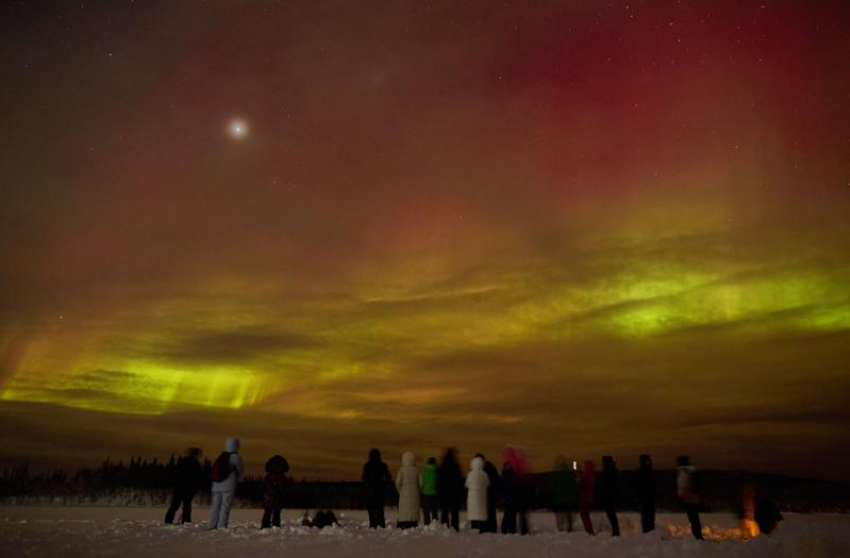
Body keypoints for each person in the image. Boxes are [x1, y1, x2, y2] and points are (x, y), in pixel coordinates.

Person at [208, 438, 244, 529]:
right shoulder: (236, 457)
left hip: (216, 485)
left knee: (215, 506)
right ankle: (221, 526)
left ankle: (211, 525)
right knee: (225, 506)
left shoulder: (221, 456)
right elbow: (240, 471)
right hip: (228, 486)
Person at [164, 447, 203, 524]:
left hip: (179, 487)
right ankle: (186, 521)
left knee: (175, 505)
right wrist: (196, 488)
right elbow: (198, 477)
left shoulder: (183, 461)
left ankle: (168, 520)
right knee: (186, 506)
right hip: (188, 488)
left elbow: (176, 473)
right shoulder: (196, 463)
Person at [502, 446, 531, 535]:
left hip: (513, 495)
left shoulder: (511, 467)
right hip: (519, 494)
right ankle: (520, 530)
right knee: (519, 515)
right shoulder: (522, 465)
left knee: (510, 514)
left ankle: (510, 529)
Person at [362, 448, 392, 528]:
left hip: (370, 491)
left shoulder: (367, 466)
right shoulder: (383, 465)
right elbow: (388, 477)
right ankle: (381, 524)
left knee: (371, 511)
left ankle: (373, 525)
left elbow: (364, 478)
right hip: (380, 491)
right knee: (380, 510)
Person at [676, 455, 703, 540]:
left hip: (689, 498)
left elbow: (683, 485)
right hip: (693, 498)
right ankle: (697, 535)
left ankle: (697, 536)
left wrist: (681, 496)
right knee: (694, 518)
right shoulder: (691, 471)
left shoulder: (684, 472)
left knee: (693, 519)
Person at [549, 456, 577, 532]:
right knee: (568, 513)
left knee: (559, 515)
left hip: (558, 498)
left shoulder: (554, 472)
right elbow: (574, 483)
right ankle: (569, 527)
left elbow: (551, 485)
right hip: (569, 498)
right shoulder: (570, 472)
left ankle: (560, 528)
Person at [437, 447, 463, 531]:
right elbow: (459, 482)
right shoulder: (456, 466)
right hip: (454, 493)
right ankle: (455, 528)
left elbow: (439, 481)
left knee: (444, 512)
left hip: (444, 493)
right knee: (455, 513)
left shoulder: (442, 466)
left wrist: (439, 492)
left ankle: (444, 527)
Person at [261, 454, 289, 529]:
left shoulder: (268, 475)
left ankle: (265, 526)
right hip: (275, 497)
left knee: (269, 512)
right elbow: (283, 487)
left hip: (269, 497)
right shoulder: (281, 476)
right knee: (275, 513)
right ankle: (274, 526)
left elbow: (265, 486)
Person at [395, 451, 422, 529]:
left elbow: (397, 482)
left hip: (404, 493)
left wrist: (399, 491)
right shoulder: (417, 470)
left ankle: (404, 522)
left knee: (404, 509)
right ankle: (413, 521)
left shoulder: (402, 470)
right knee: (413, 508)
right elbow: (421, 483)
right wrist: (417, 490)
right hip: (415, 493)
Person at [476, 453, 501, 533]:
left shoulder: (482, 470)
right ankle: (492, 529)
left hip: (486, 495)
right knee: (491, 513)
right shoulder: (491, 467)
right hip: (492, 495)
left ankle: (485, 529)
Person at [632, 454, 656, 533]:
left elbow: (634, 486)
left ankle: (647, 531)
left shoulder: (638, 472)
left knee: (646, 516)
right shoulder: (649, 471)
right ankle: (649, 531)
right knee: (649, 517)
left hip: (644, 498)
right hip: (647, 498)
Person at [466, 455, 490, 532]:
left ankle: (474, 530)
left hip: (472, 501)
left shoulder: (470, 474)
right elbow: (487, 484)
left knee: (474, 519)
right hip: (481, 499)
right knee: (481, 518)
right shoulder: (484, 475)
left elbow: (467, 484)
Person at [599, 456, 620, 536]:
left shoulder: (608, 471)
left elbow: (605, 484)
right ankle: (615, 530)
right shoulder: (612, 470)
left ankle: (616, 531)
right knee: (611, 514)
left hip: (609, 496)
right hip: (611, 495)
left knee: (611, 514)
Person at [420, 457, 439, 525]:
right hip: (434, 493)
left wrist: (420, 490)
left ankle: (427, 524)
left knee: (426, 511)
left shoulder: (424, 470)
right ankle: (435, 524)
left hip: (425, 492)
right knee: (434, 510)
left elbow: (421, 482)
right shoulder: (437, 470)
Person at [578, 460, 595, 535]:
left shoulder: (586, 476)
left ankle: (589, 531)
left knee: (585, 516)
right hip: (588, 498)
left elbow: (582, 485)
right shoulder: (590, 475)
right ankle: (589, 531)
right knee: (586, 516)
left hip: (584, 498)